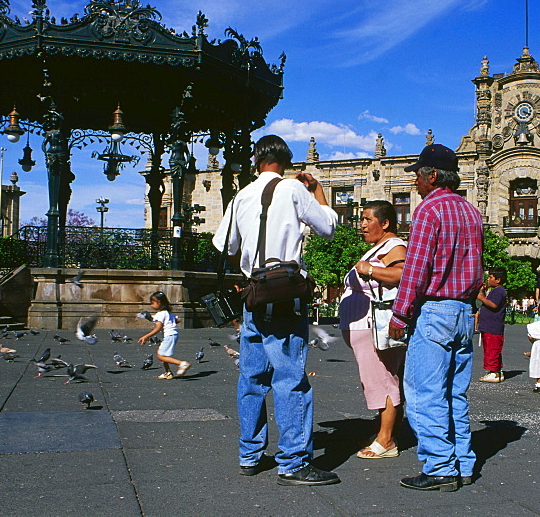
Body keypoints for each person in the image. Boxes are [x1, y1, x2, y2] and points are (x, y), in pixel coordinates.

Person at [212, 134, 340, 487]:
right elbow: (328, 227)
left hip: (254, 294)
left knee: (252, 377)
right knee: (289, 376)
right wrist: (316, 190)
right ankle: (294, 461)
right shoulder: (293, 190)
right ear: (285, 161)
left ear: (256, 161)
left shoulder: (242, 196)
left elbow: (223, 243)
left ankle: (249, 454)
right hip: (285, 295)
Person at [388, 143, 482, 492]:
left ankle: (440, 466)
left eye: (417, 174)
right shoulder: (471, 212)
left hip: (435, 310)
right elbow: (476, 268)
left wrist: (400, 313)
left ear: (431, 176)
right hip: (463, 311)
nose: (414, 180)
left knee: (424, 393)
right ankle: (463, 462)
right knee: (455, 394)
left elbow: (416, 268)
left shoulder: (429, 211)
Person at [340, 200, 406, 460]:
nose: (362, 224)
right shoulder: (379, 247)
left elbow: (401, 274)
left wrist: (370, 269)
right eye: (362, 219)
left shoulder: (394, 246)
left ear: (385, 223)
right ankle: (385, 432)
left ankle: (387, 440)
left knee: (383, 380)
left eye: (368, 219)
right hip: (363, 326)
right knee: (376, 380)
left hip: (374, 326)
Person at [137, 291, 192, 380]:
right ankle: (168, 372)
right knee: (161, 353)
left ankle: (182, 363)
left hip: (169, 335)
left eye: (152, 303)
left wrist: (146, 336)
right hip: (173, 334)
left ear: (159, 303)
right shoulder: (168, 313)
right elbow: (178, 320)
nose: (151, 305)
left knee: (161, 356)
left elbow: (158, 328)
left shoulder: (160, 314)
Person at [477, 267, 507, 383]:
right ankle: (495, 370)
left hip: (493, 326)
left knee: (492, 348)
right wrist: (483, 292)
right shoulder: (494, 291)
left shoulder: (499, 291)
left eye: (490, 277)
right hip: (489, 325)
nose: (488, 280)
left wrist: (481, 297)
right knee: (490, 348)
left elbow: (493, 305)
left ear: (498, 280)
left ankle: (494, 371)